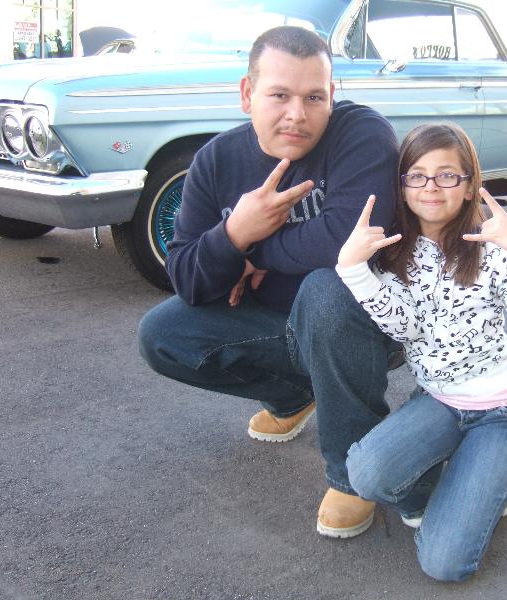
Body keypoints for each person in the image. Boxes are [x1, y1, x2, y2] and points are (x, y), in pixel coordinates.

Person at [138, 25, 401, 539]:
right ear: (247, 93)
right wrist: (235, 232)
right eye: (280, 95)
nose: (297, 114)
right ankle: (293, 394)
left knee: (327, 287)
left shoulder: (361, 133)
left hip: (364, 328)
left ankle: (352, 470)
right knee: (161, 335)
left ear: (332, 96)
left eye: (314, 97)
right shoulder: (216, 161)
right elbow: (186, 279)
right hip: (272, 327)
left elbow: (351, 236)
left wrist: (257, 251)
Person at [335, 122, 507, 581]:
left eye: (447, 175)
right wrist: (352, 269)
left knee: (445, 565)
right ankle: (466, 474)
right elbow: (405, 326)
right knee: (366, 474)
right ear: (402, 186)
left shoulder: (492, 247)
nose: (431, 187)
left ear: (469, 185)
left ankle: (499, 481)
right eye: (417, 175)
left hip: (502, 413)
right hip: (439, 400)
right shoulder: (395, 251)